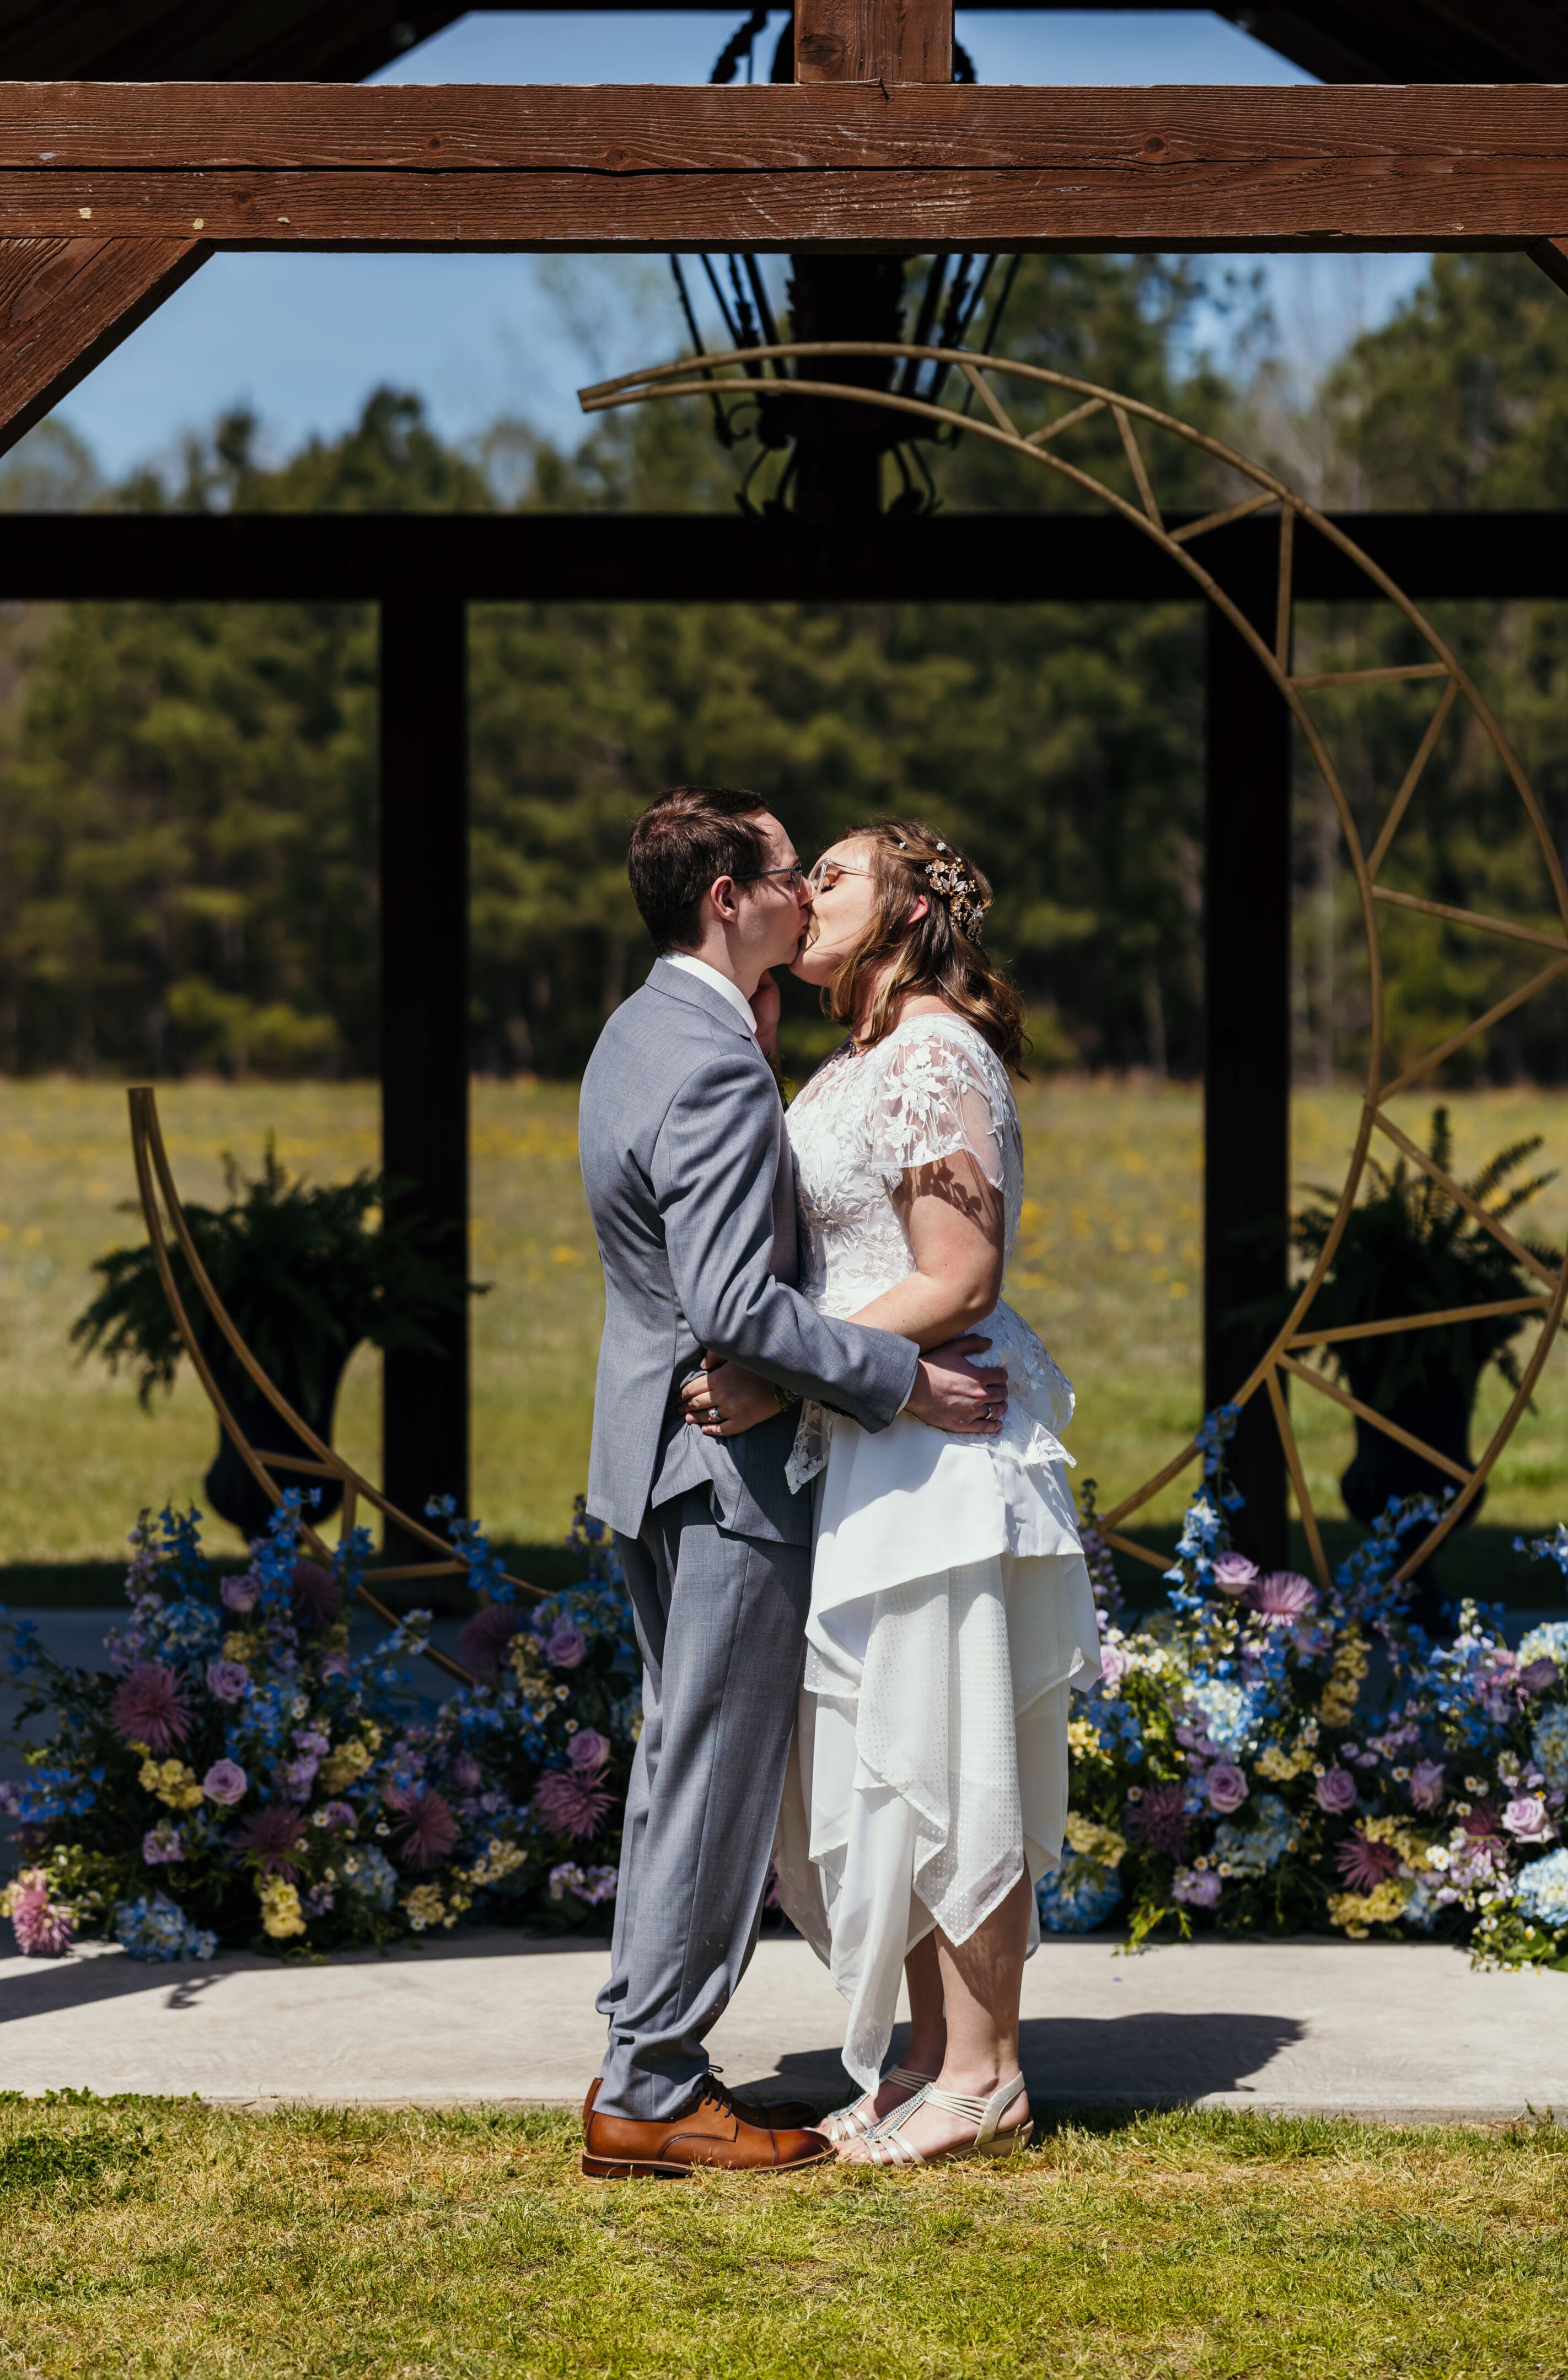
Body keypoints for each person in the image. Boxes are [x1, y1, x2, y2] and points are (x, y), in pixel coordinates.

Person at [577, 785, 1010, 2180]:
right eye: (790, 870)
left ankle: (667, 2059)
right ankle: (650, 2079)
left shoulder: (649, 1028)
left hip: (662, 1448)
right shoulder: (711, 1058)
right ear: (732, 898)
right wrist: (896, 1379)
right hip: (726, 1459)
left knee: (693, 1763)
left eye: (834, 874)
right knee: (710, 1776)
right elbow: (729, 1299)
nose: (807, 892)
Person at [681, 820, 1101, 2168]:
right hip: (876, 1437)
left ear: (914, 909)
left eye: (838, 874)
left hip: (941, 1449)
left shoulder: (931, 1051)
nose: (808, 894)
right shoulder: (856, 1056)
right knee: (896, 1758)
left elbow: (960, 1273)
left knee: (953, 1749)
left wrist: (782, 1376)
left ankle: (987, 2074)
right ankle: (926, 2058)